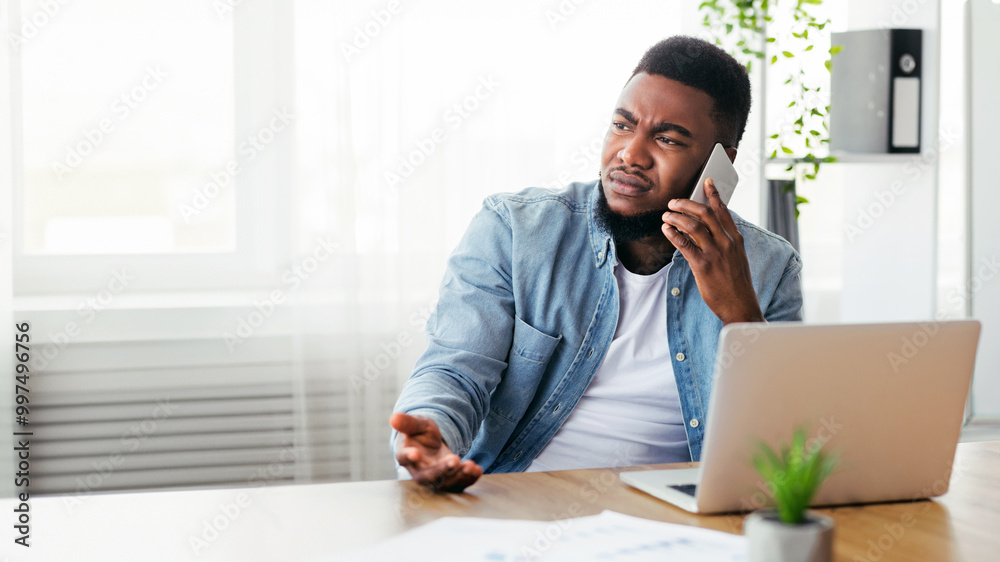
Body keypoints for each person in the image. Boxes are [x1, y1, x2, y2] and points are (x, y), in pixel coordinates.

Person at [389, 35, 802, 492]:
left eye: (666, 138)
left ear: (718, 165)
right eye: (623, 126)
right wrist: (433, 434)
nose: (630, 154)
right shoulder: (515, 231)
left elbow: (784, 452)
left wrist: (739, 315)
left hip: (676, 520)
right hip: (518, 504)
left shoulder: (768, 267)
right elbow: (455, 369)